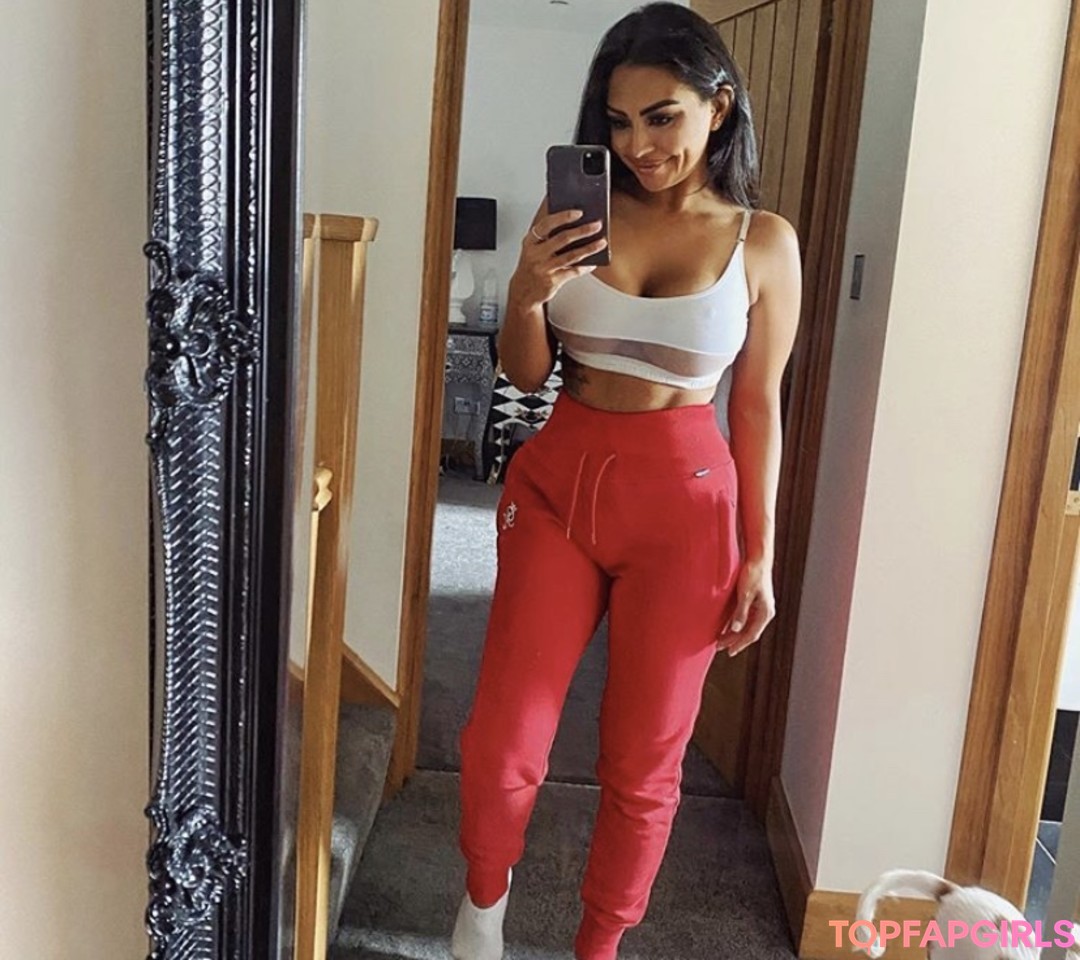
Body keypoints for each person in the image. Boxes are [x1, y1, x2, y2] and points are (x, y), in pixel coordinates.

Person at [451, 4, 802, 958]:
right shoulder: (575, 215)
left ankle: (600, 944)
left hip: (687, 510)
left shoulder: (763, 242)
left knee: (645, 762)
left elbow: (757, 407)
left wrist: (761, 555)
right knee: (503, 739)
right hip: (558, 488)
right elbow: (527, 374)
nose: (639, 144)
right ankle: (482, 905)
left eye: (662, 117)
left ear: (718, 107)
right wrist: (526, 292)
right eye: (618, 121)